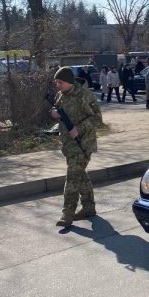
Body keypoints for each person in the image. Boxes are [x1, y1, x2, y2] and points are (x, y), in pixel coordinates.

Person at [49, 66, 102, 227]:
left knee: (72, 178)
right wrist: (53, 113)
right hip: (68, 144)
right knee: (80, 175)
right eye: (56, 82)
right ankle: (89, 207)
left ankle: (67, 213)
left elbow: (97, 119)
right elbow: (57, 110)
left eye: (60, 82)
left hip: (83, 143)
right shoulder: (60, 95)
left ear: (69, 82)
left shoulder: (85, 95)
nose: (57, 85)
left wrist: (78, 128)